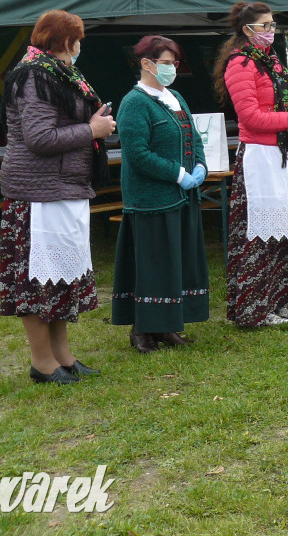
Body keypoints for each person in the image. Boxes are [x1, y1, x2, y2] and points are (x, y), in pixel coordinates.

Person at [0, 10, 115, 384]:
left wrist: (91, 125)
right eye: (77, 40)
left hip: (63, 190)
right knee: (36, 282)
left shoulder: (61, 73)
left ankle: (63, 355)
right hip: (37, 195)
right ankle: (42, 362)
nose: (80, 46)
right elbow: (40, 139)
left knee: (62, 277)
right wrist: (91, 129)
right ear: (66, 43)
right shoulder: (35, 76)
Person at [112, 35, 210, 353]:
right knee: (153, 264)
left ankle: (167, 325)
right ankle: (142, 328)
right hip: (151, 198)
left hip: (181, 197)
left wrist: (200, 167)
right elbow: (137, 153)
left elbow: (194, 137)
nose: (172, 69)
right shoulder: (134, 103)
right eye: (166, 63)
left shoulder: (176, 97)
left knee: (175, 263)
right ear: (147, 64)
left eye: (174, 63)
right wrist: (177, 174)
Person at [214, 2, 288, 326]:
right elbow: (250, 116)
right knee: (259, 233)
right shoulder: (239, 64)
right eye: (265, 26)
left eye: (273, 25)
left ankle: (283, 299)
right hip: (259, 158)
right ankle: (255, 307)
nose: (271, 31)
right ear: (248, 30)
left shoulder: (271, 62)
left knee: (285, 229)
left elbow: (285, 101)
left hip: (281, 153)